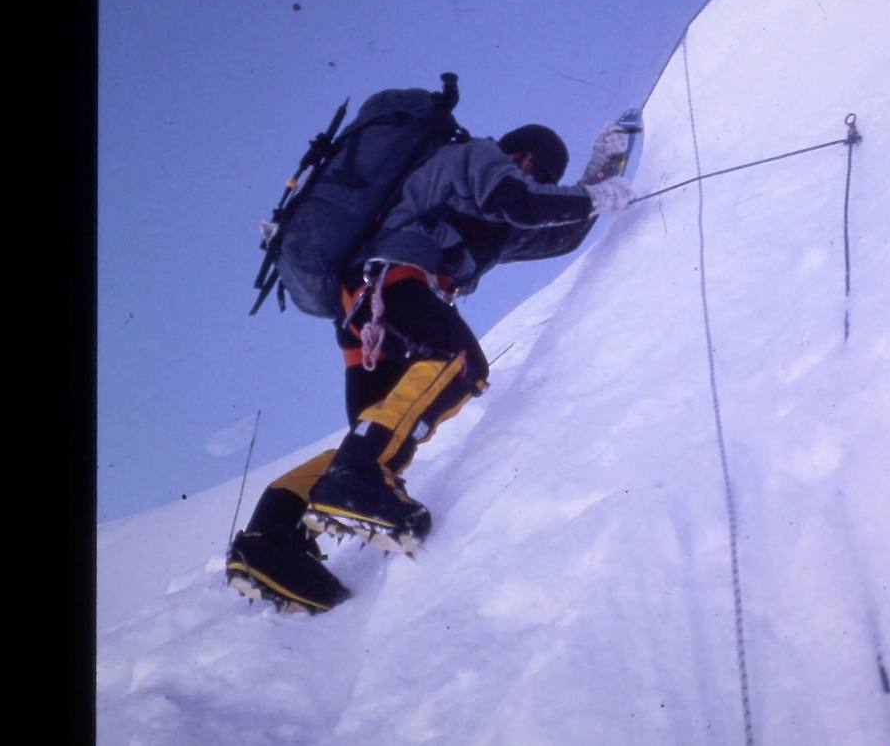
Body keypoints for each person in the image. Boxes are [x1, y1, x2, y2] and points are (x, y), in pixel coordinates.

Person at [225, 118, 636, 613]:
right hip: (392, 281)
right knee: (459, 364)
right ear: (516, 153)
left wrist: (599, 175)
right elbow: (524, 203)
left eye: (542, 175)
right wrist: (592, 192)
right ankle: (357, 478)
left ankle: (271, 535)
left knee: (375, 427)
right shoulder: (478, 158)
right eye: (532, 165)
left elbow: (555, 233)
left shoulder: (494, 220)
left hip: (365, 306)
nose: (532, 175)